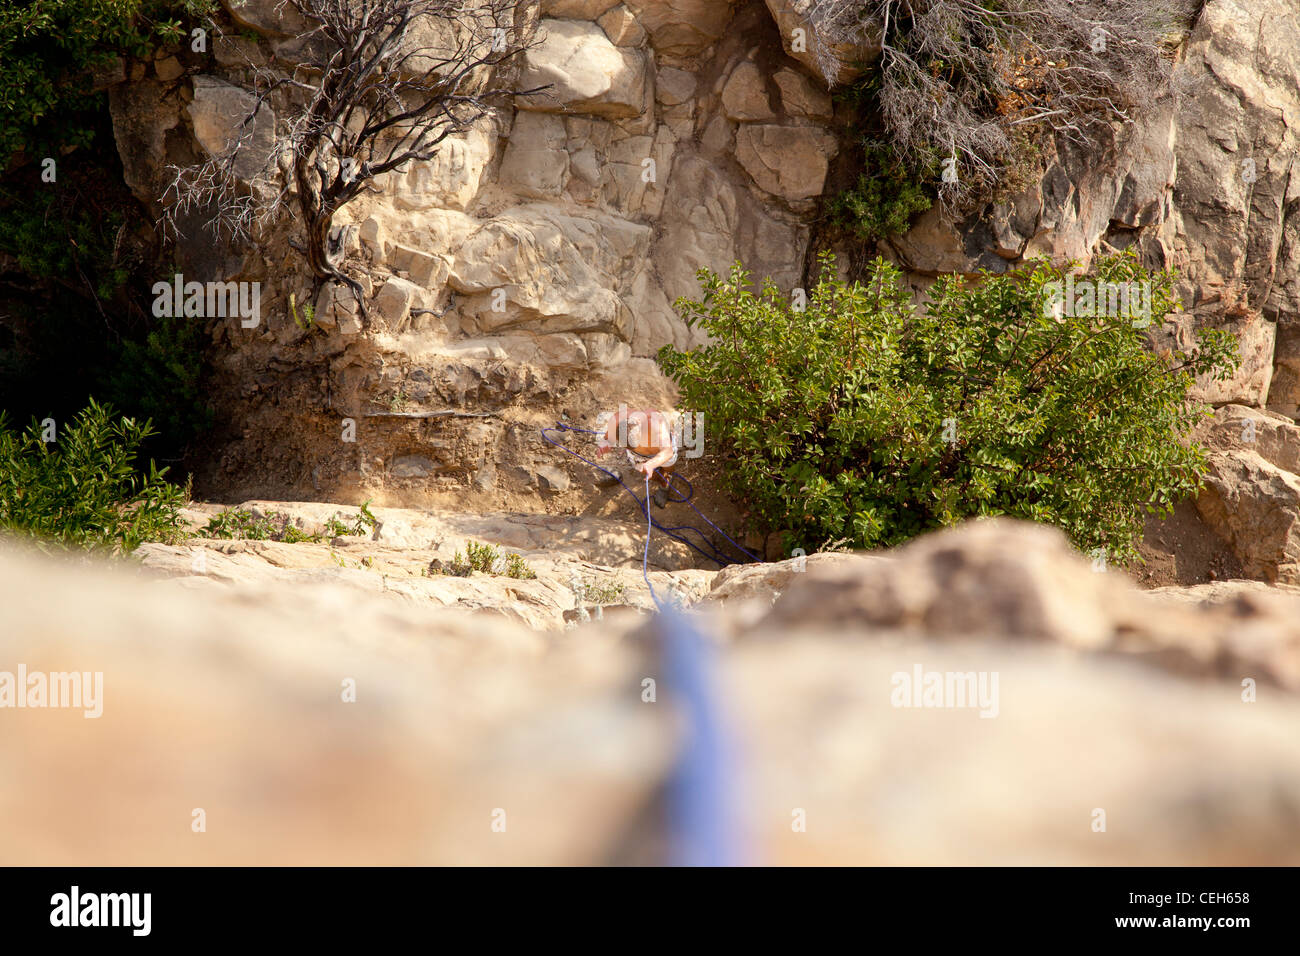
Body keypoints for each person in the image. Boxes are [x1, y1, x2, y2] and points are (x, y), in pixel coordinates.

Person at [594, 406, 680, 508]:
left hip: (662, 451)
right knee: (650, 475)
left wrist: (651, 464)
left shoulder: (655, 421)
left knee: (668, 468)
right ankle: (663, 484)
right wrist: (606, 443)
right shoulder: (618, 418)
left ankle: (667, 479)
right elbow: (608, 437)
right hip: (637, 456)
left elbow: (667, 451)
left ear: (639, 423)